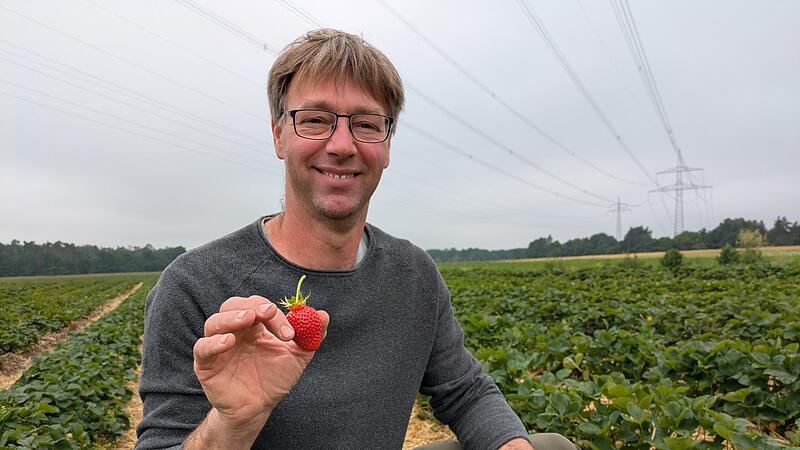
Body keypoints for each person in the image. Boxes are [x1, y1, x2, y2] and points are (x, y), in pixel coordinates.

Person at [136, 28, 578, 450]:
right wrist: (233, 423)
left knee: (550, 446)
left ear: (387, 145)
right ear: (278, 136)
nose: (342, 144)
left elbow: (465, 391)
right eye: (315, 120)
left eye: (366, 124)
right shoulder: (195, 285)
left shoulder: (413, 274)